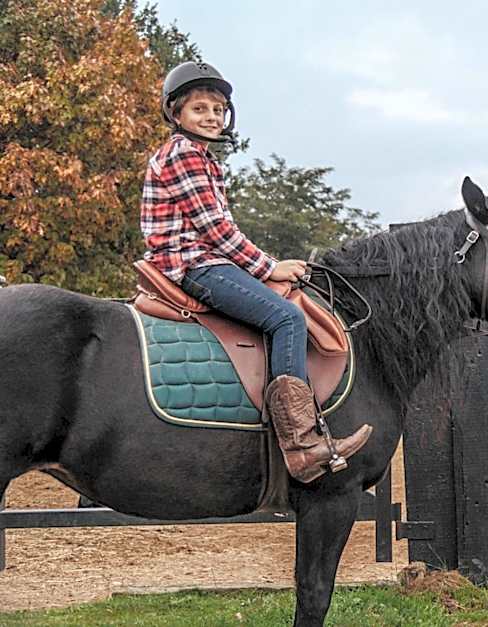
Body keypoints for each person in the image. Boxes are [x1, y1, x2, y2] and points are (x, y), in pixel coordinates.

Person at [140, 61, 371, 482]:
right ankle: (301, 444)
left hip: (209, 260)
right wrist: (269, 266)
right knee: (287, 317)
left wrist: (266, 271)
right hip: (194, 264)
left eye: (218, 110)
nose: (211, 117)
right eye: (200, 109)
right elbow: (216, 230)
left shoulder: (205, 160)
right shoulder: (183, 154)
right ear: (176, 114)